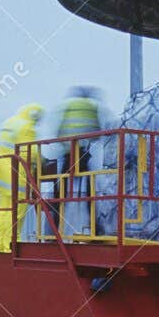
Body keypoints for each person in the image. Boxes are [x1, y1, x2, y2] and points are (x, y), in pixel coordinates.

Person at [0, 103, 43, 252]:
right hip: (16, 173)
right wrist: (42, 161)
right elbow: (30, 153)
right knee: (17, 211)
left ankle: (0, 245)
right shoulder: (27, 126)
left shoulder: (10, 122)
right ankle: (11, 245)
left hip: (2, 172)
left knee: (4, 211)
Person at [56, 87, 104, 235]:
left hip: (69, 153)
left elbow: (59, 133)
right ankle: (95, 226)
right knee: (90, 191)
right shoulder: (91, 107)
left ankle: (53, 228)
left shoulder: (69, 106)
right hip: (82, 154)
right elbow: (97, 133)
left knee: (59, 193)